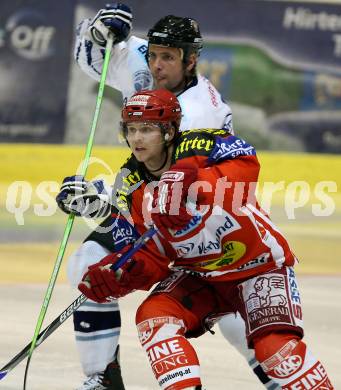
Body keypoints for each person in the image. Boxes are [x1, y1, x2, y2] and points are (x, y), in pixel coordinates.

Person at [63, 3, 274, 389]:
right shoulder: (149, 59)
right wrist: (98, 32)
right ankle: (102, 379)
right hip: (162, 210)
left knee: (230, 308)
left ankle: (280, 375)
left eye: (169, 58)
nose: (158, 66)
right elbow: (92, 58)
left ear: (191, 61)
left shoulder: (198, 115)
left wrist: (98, 204)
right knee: (87, 264)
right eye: (155, 55)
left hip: (203, 215)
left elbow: (162, 204)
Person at [75, 89, 334, 390]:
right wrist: (120, 275)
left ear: (169, 130)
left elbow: (248, 167)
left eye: (146, 129)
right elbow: (153, 253)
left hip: (258, 266)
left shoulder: (203, 143)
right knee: (154, 317)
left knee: (274, 349)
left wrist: (194, 183)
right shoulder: (129, 183)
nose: (137, 139)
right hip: (200, 277)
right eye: (131, 130)